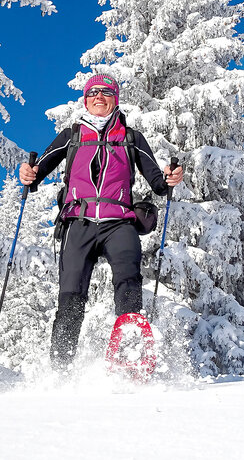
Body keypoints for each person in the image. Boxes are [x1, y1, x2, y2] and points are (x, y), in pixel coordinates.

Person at [19, 74, 184, 371]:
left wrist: (170, 179)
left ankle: (130, 360)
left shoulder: (130, 137)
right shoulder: (72, 135)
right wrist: (28, 175)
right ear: (85, 99)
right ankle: (60, 370)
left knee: (128, 283)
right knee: (70, 297)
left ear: (115, 99)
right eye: (93, 92)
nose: (99, 96)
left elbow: (158, 183)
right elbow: (37, 173)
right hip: (77, 223)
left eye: (106, 92)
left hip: (119, 221)